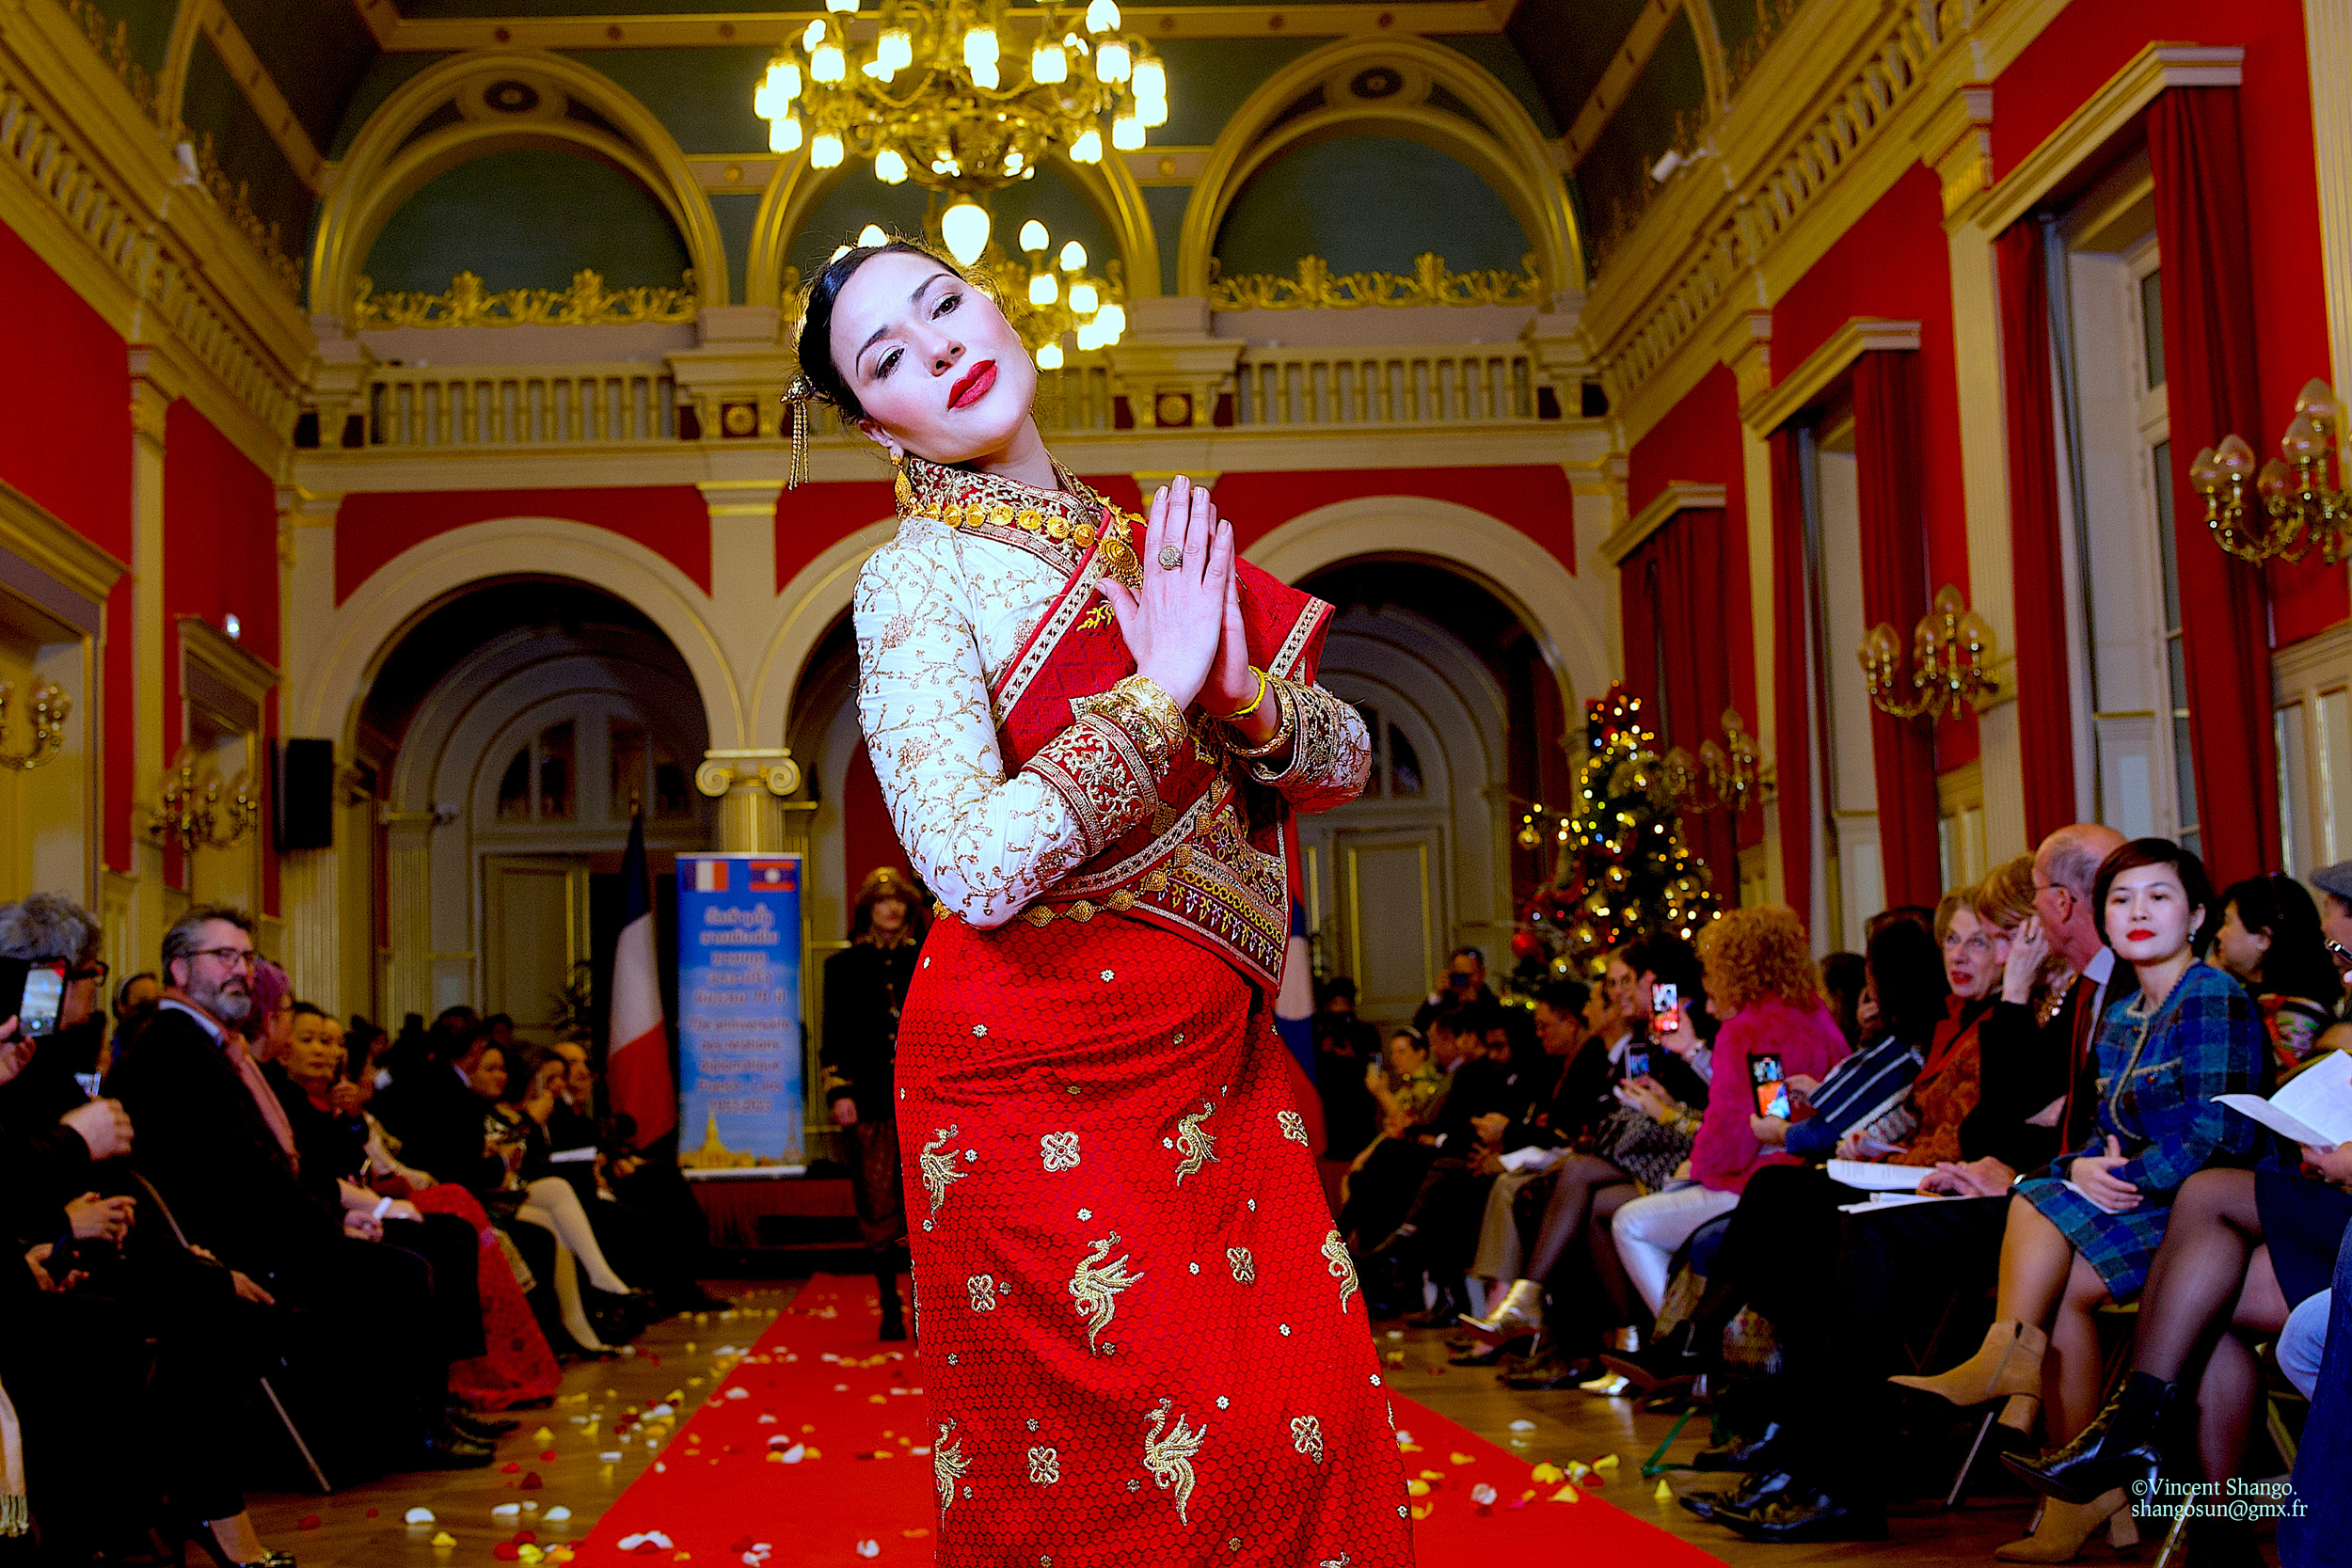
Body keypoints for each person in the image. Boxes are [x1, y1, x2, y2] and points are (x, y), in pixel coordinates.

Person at [815, 235, 1404, 1561]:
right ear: (875, 422)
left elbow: (1350, 757)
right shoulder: (914, 574)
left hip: (1227, 1070)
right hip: (1039, 1080)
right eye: (888, 356)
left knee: (1313, 1419)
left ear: (999, 302)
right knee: (1151, 1477)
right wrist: (1158, 690)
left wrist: (1237, 692)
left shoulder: (1151, 547)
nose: (942, 349)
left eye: (944, 304)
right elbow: (964, 862)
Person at [1705, 824, 2127, 1545]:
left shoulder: (2078, 993)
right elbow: (2002, 1118)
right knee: (1795, 1204)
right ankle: (1795, 1439)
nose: (1984, 951)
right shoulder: (2037, 1003)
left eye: (1994, 933)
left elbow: (2014, 1124)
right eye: (1965, 939)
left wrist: (2015, 1146)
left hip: (2046, 1199)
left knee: (1842, 1227)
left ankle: (1822, 1462)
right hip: (2009, 1185)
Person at [1887, 839, 2266, 1558]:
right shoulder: (2122, 1014)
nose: (2138, 912)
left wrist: (2113, 1176)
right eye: (2121, 899)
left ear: (2197, 915)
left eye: (2159, 896)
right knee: (2056, 1253)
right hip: (2148, 1205)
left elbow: (2221, 1134)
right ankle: (2077, 1490)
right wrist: (2085, 1166)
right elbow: (2095, 1133)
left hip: (2210, 1218)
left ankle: (2010, 1366)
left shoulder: (2212, 995)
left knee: (2036, 1191)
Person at [105, 907, 498, 1487]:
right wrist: (331, 1227)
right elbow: (243, 1179)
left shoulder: (206, 1043)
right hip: (226, 1247)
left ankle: (425, 1412)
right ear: (180, 970)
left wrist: (336, 1218)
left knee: (429, 1243)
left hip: (254, 1225)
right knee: (405, 1269)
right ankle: (403, 1428)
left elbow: (266, 1169)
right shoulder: (176, 1046)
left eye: (246, 957)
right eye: (223, 957)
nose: (240, 970)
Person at [1609, 906, 1850, 1315]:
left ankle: (1687, 1345)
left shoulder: (1746, 1029)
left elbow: (1732, 1137)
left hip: (1760, 1185)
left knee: (1629, 1224)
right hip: (1814, 1178)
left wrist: (1695, 1170)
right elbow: (1774, 1105)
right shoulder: (1814, 1013)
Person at [820, 865, 927, 1341]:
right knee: (879, 1203)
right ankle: (889, 1302)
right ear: (867, 910)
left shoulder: (927, 957)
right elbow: (833, 1036)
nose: (892, 909)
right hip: (869, 1098)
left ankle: (928, 1307)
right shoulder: (842, 967)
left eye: (899, 901)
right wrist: (838, 1090)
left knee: (928, 1206)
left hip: (927, 1098)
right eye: (882, 902)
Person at [2208, 872, 2342, 1068]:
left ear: (2263, 938)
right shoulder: (2254, 993)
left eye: (2228, 922)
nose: (2219, 934)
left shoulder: (2297, 1011)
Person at [1413, 945, 1495, 1032]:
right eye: (1459, 975)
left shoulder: (1491, 1004)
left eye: (1469, 975)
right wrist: (1437, 995)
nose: (1465, 980)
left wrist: (1472, 1003)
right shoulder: (1444, 1000)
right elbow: (1418, 1028)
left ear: (1482, 973)